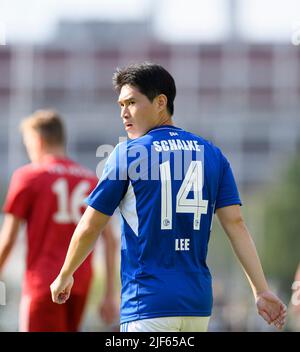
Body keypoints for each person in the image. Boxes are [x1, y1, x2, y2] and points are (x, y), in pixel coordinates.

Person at [50, 63, 287, 332]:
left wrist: (65, 274)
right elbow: (236, 224)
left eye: (131, 102)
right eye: (120, 105)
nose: (123, 113)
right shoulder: (212, 154)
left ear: (161, 102)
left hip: (148, 305)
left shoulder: (127, 153)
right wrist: (261, 290)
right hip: (197, 307)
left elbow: (91, 225)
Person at [0, 110, 118, 332]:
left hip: (42, 285)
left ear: (37, 140)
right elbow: (111, 239)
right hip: (80, 285)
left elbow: (8, 239)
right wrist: (110, 292)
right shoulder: (90, 179)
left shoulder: (28, 176)